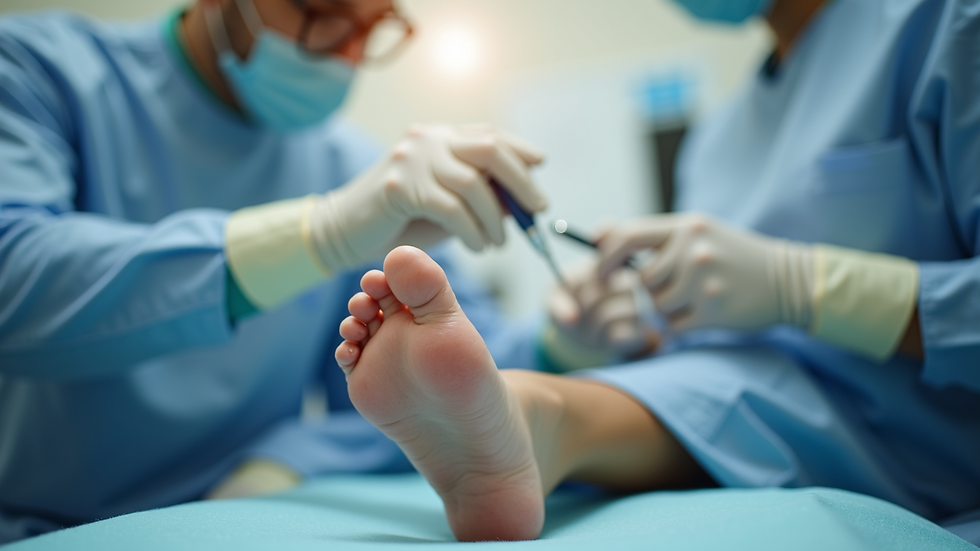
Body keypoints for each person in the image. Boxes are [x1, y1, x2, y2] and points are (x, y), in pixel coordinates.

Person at [335, 0, 980, 542]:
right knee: (693, 384)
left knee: (724, 391)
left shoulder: (951, 24)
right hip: (739, 403)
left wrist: (807, 287)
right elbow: (714, 341)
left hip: (914, 432)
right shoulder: (718, 139)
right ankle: (528, 421)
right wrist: (628, 330)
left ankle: (529, 422)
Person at [0, 0, 594, 542]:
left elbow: (442, 377)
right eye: (323, 13)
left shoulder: (351, 164)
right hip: (44, 522)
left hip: (242, 519)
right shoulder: (33, 69)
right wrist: (319, 233)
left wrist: (562, 341)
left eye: (373, 26)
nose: (350, 55)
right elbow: (15, 277)